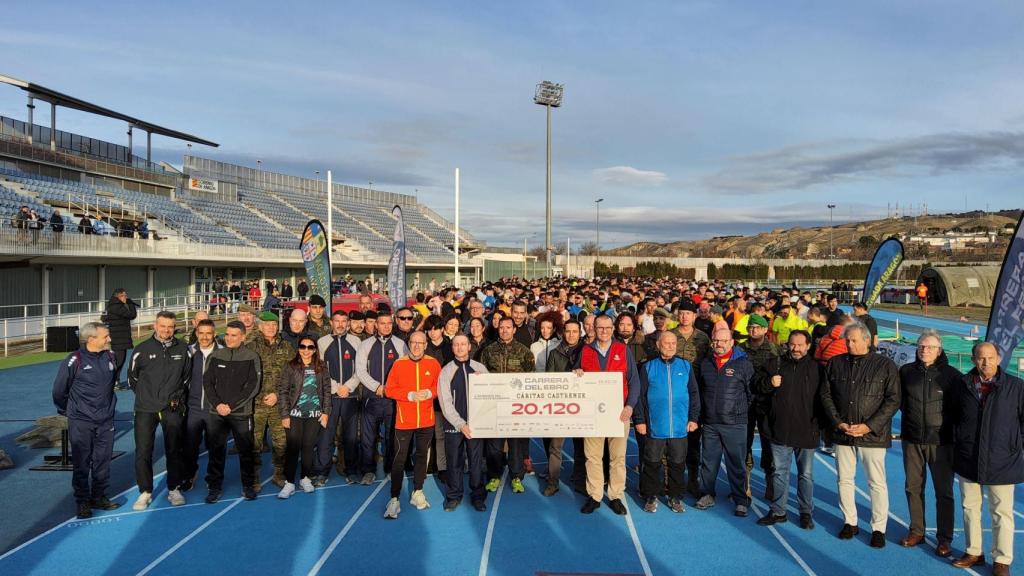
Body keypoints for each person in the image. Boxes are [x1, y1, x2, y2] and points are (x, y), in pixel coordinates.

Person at [820, 322, 900, 548]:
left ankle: (878, 528)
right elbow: (826, 395)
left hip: (872, 436)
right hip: (843, 434)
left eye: (854, 340)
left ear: (867, 340)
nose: (849, 344)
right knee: (844, 479)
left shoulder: (885, 365)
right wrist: (838, 422)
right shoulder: (835, 363)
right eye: (847, 340)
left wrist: (869, 426)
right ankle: (850, 521)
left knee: (876, 483)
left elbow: (893, 400)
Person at [950, 342, 1024, 576]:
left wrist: (1016, 448)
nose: (986, 362)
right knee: (970, 508)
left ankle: (1002, 559)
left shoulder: (1016, 386)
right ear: (973, 360)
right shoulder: (962, 385)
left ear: (999, 359)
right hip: (968, 457)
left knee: (1001, 512)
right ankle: (974, 551)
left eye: (991, 358)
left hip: (1002, 460)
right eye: (981, 358)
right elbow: (953, 417)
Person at [898, 329, 960, 556]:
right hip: (912, 439)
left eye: (930, 347)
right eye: (922, 346)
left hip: (941, 443)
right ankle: (917, 531)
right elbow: (899, 402)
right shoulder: (906, 372)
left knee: (944, 492)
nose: (925, 350)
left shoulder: (952, 376)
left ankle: (944, 538)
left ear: (939, 350)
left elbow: (958, 409)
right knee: (913, 488)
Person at [52, 322, 122, 518]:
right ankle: (82, 501)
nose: (109, 339)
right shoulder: (75, 359)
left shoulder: (111, 356)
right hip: (82, 420)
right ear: (91, 339)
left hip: (106, 419)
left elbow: (111, 383)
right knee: (82, 462)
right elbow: (59, 390)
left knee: (103, 460)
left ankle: (99, 496)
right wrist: (69, 410)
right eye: (105, 336)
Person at [575, 314, 641, 515]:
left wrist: (629, 407)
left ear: (613, 329)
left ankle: (615, 495)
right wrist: (576, 371)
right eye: (600, 328)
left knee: (617, 457)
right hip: (593, 414)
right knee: (592, 456)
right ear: (593, 329)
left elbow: (634, 382)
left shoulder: (623, 350)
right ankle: (594, 495)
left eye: (607, 327)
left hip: (619, 413)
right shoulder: (585, 350)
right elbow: (577, 378)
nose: (604, 331)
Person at [756, 330, 820, 529]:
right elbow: (755, 386)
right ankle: (778, 511)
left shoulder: (818, 369)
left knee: (806, 475)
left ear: (808, 346)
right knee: (779, 473)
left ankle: (805, 512)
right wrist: (768, 382)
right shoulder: (774, 364)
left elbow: (825, 399)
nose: (796, 349)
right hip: (780, 430)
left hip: (807, 430)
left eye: (800, 345)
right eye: (793, 344)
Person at [127, 311, 191, 510]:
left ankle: (174, 488)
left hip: (172, 408)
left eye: (170, 326)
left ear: (175, 327)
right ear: (155, 326)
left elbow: (187, 378)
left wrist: (176, 397)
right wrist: (148, 396)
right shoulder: (142, 349)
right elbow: (132, 379)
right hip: (145, 408)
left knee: (174, 449)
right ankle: (145, 492)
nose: (166, 330)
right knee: (144, 451)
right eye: (162, 326)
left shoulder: (184, 348)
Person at [634, 331, 699, 514]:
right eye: (666, 343)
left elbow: (694, 394)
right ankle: (651, 495)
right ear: (658, 345)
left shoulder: (686, 366)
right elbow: (639, 397)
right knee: (652, 462)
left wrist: (693, 418)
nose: (670, 346)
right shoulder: (648, 367)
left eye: (673, 343)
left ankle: (675, 496)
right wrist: (640, 420)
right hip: (655, 426)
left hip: (680, 426)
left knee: (677, 463)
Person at [695, 328, 755, 517]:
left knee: (736, 463)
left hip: (734, 423)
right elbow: (700, 390)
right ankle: (707, 494)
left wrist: (740, 413)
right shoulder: (706, 363)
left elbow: (751, 393)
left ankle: (740, 499)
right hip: (711, 423)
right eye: (716, 341)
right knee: (708, 462)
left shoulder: (743, 364)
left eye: (723, 341)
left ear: (731, 342)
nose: (719, 344)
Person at [383, 331, 441, 518]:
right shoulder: (399, 364)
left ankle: (417, 491)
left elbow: (439, 387)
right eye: (413, 342)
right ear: (409, 344)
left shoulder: (433, 363)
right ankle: (394, 498)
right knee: (399, 459)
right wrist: (408, 395)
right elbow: (389, 389)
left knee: (422, 456)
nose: (417, 346)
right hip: (403, 421)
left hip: (426, 420)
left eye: (420, 342)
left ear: (426, 345)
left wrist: (429, 393)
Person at [203, 321, 262, 503]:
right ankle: (214, 487)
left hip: (241, 413)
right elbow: (208, 383)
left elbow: (253, 386)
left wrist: (232, 406)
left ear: (243, 337)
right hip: (217, 412)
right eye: (227, 334)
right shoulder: (215, 356)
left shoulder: (252, 357)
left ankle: (248, 486)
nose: (229, 338)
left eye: (234, 335)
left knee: (245, 451)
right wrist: (218, 405)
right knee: (216, 451)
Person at [480, 317, 536, 494]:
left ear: (514, 330)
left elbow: (531, 377)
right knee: (494, 445)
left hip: (516, 407)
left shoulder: (524, 352)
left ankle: (517, 476)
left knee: (516, 444)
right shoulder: (488, 351)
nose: (504, 330)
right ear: (498, 329)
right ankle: (494, 475)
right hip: (494, 406)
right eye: (502, 327)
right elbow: (480, 375)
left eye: (508, 327)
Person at [439, 334, 489, 512]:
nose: (459, 347)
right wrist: (460, 424)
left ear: (469, 347)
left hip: (476, 425)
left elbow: (489, 396)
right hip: (454, 425)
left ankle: (477, 496)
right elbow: (445, 403)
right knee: (454, 461)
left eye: (463, 344)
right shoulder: (446, 371)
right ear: (452, 348)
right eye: (456, 345)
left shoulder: (480, 368)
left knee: (476, 462)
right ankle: (454, 495)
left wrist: (482, 380)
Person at [356, 311, 407, 485]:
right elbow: (361, 371)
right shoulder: (366, 345)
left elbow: (404, 369)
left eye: (388, 323)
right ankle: (368, 471)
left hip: (392, 401)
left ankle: (390, 469)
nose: (385, 326)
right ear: (375, 325)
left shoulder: (401, 345)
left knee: (391, 437)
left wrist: (392, 389)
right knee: (368, 438)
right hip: (371, 398)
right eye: (382, 323)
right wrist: (377, 387)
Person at [276, 335, 331, 498]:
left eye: (310, 347)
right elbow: (283, 391)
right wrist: (285, 414)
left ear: (315, 350)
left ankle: (305, 478)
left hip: (314, 415)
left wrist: (326, 412)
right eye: (303, 347)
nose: (306, 350)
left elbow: (327, 391)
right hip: (295, 415)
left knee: (308, 448)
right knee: (293, 448)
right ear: (298, 348)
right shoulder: (290, 366)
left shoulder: (321, 367)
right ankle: (289, 483)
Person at [247, 311, 295, 490]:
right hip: (256, 404)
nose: (271, 328)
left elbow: (293, 375)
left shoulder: (287, 347)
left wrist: (276, 394)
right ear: (260, 327)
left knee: (281, 441)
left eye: (274, 325)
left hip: (279, 402)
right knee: (254, 442)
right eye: (267, 325)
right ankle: (253, 476)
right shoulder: (251, 347)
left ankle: (279, 473)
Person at [316, 310, 363, 485]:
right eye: (337, 321)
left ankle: (351, 471)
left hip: (351, 397)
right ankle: (322, 472)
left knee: (350, 437)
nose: (341, 324)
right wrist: (336, 387)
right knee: (326, 436)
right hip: (331, 397)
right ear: (332, 322)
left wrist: (348, 386)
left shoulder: (356, 341)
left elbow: (360, 369)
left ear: (348, 323)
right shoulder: (322, 342)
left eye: (344, 321)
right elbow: (320, 368)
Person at [740, 314, 781, 501]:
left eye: (757, 327)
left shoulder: (774, 350)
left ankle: (770, 481)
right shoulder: (740, 349)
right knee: (744, 443)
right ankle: (745, 482)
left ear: (765, 330)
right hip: (744, 403)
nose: (753, 330)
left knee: (768, 443)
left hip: (767, 404)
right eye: (750, 327)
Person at [546, 319, 587, 495]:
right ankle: (553, 482)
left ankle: (579, 481)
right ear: (563, 333)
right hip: (560, 407)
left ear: (580, 333)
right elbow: (549, 380)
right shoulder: (555, 354)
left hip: (581, 406)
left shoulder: (587, 352)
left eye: (575, 331)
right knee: (555, 447)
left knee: (581, 447)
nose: (571, 335)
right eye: (568, 331)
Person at [182, 319, 223, 493]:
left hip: (214, 409)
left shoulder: (222, 352)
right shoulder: (188, 352)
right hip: (193, 408)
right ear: (196, 333)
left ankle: (214, 480)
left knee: (215, 447)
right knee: (190, 446)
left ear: (214, 334)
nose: (205, 337)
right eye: (201, 333)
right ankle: (189, 475)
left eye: (208, 333)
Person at [102, 288, 138, 387]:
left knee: (120, 360)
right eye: (124, 295)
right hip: (118, 337)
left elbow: (104, 317)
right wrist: (131, 304)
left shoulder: (113, 305)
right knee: (118, 360)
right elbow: (132, 315)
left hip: (120, 337)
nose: (126, 297)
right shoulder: (116, 306)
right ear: (119, 296)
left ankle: (115, 381)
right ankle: (111, 381)